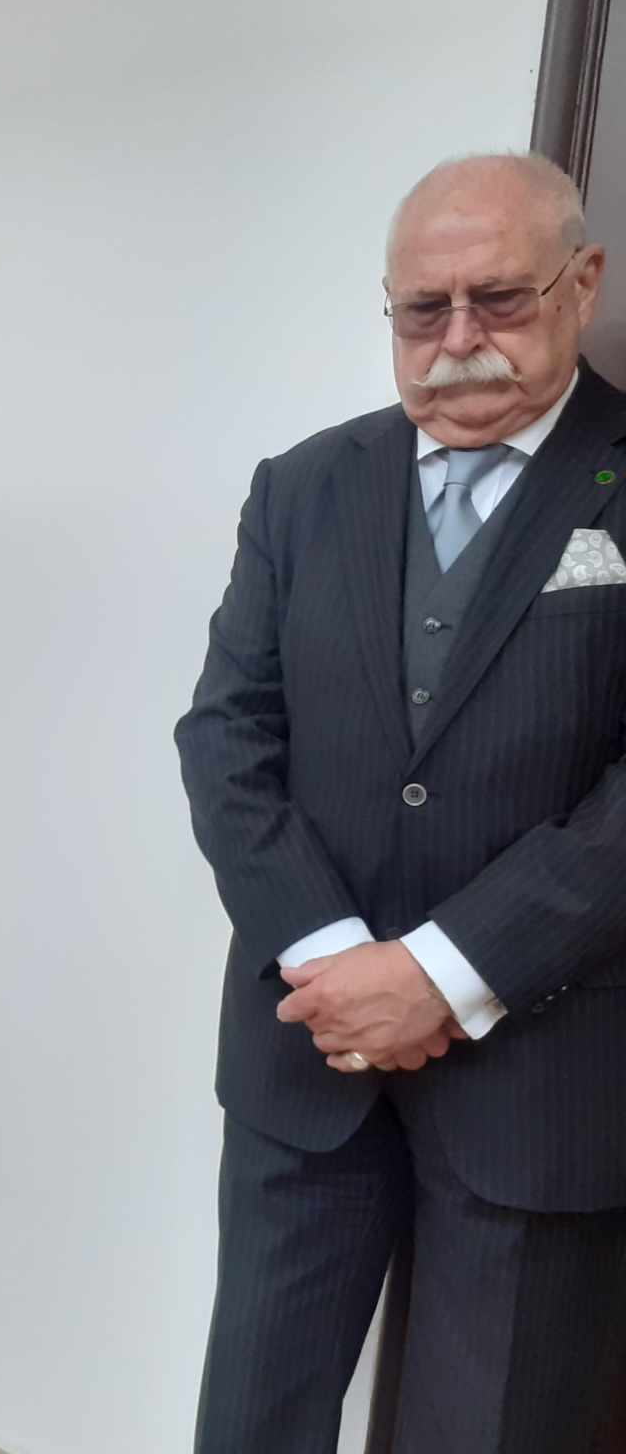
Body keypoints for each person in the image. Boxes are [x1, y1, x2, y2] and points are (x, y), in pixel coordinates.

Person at [175, 152, 626, 1452]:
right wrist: (333, 959)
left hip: (541, 1072)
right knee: (252, 1418)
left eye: (499, 299)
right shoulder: (303, 486)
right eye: (423, 309)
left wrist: (442, 970)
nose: (457, 340)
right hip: (307, 1050)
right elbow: (226, 735)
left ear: (581, 283)